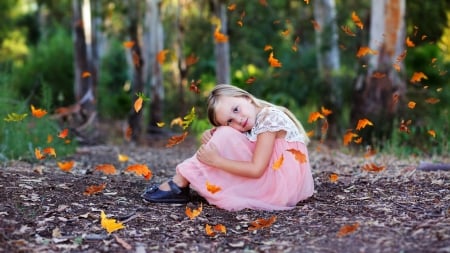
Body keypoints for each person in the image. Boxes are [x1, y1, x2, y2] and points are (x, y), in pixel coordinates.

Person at [141, 84, 314, 211]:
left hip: (279, 188)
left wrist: (217, 160)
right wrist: (213, 135)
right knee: (222, 133)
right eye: (230, 120)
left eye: (236, 109)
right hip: (278, 182)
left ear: (246, 97)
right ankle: (182, 180)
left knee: (223, 135)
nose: (238, 120)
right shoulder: (256, 120)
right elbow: (242, 143)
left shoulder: (269, 117)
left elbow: (256, 169)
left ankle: (180, 182)